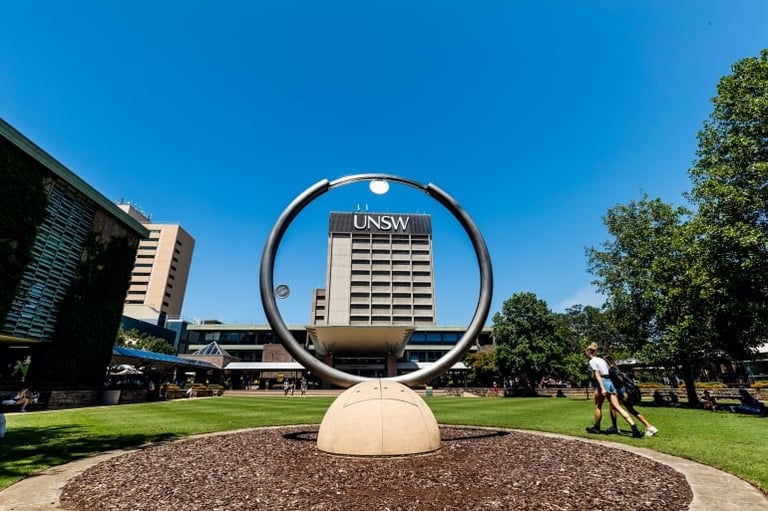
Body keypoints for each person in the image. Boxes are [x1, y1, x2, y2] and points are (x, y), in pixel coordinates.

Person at [584, 342, 643, 438]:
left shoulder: (592, 361)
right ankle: (634, 427)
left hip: (602, 382)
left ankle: (596, 427)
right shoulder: (601, 360)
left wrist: (602, 388)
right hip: (610, 382)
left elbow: (597, 375)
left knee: (598, 406)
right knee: (618, 407)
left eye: (585, 353)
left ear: (589, 352)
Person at [605, 356, 658, 437]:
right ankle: (614, 426)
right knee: (614, 407)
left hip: (621, 392)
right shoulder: (616, 369)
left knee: (630, 410)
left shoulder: (611, 370)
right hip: (622, 391)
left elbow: (620, 381)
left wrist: (623, 393)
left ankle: (649, 426)